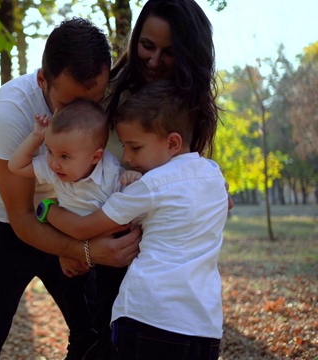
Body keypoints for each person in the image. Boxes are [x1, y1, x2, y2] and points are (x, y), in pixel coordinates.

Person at [0, 18, 142, 360]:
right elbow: (23, 218)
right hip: (4, 226)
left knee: (96, 336)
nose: (85, 113)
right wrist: (83, 250)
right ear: (43, 79)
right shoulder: (9, 112)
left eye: (95, 101)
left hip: (72, 216)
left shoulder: (105, 99)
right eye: (69, 105)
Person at [47, 80, 228, 359]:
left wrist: (47, 209)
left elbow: (83, 227)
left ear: (173, 143)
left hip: (148, 316)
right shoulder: (214, 174)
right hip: (205, 325)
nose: (127, 158)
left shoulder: (150, 185)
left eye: (135, 147)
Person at [93, 1, 223, 358]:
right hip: (104, 238)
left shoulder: (188, 106)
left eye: (168, 52)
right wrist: (77, 247)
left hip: (155, 263)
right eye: (147, 46)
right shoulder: (110, 92)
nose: (153, 60)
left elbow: (187, 178)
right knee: (93, 342)